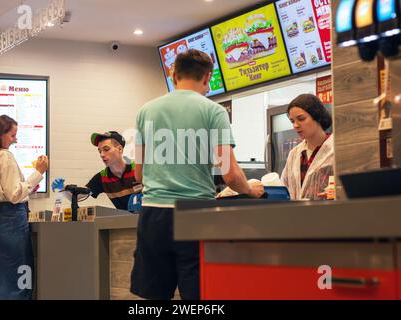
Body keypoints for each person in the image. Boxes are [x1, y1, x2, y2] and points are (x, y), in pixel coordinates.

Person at [130, 49, 264, 300]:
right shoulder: (214, 111)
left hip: (153, 214)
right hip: (196, 214)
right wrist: (251, 190)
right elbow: (231, 176)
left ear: (173, 75)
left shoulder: (145, 111)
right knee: (198, 296)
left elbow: (138, 174)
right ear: (208, 77)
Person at [0, 115, 48, 300]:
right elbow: (14, 195)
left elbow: (4, 191)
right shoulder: (5, 156)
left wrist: (26, 187)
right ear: (1, 135)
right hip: (12, 223)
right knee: (20, 278)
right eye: (13, 135)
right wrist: (38, 172)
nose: (16, 139)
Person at [52, 131, 142, 211]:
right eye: (100, 151)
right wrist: (62, 188)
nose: (102, 155)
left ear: (120, 149)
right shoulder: (102, 177)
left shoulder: (139, 169)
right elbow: (77, 197)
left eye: (106, 149)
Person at [281, 94, 334, 200]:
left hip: (329, 213)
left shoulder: (335, 148)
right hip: (297, 214)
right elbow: (284, 187)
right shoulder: (294, 154)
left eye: (301, 119)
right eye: (292, 121)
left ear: (317, 116)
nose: (295, 125)